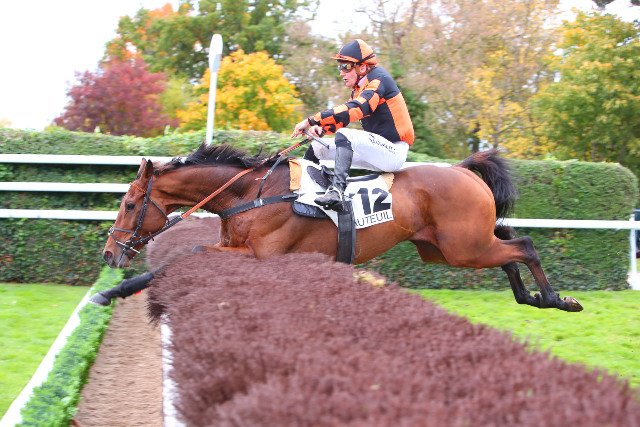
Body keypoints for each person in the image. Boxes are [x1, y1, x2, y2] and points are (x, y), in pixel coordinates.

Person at [291, 39, 415, 210]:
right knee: (317, 147)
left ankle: (337, 191)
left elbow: (358, 108)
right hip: (376, 151)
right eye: (340, 67)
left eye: (346, 67)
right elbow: (344, 118)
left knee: (346, 135)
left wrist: (311, 120)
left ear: (362, 67)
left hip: (393, 151)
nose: (342, 72)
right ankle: (303, 191)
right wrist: (322, 128)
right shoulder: (360, 88)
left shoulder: (379, 79)